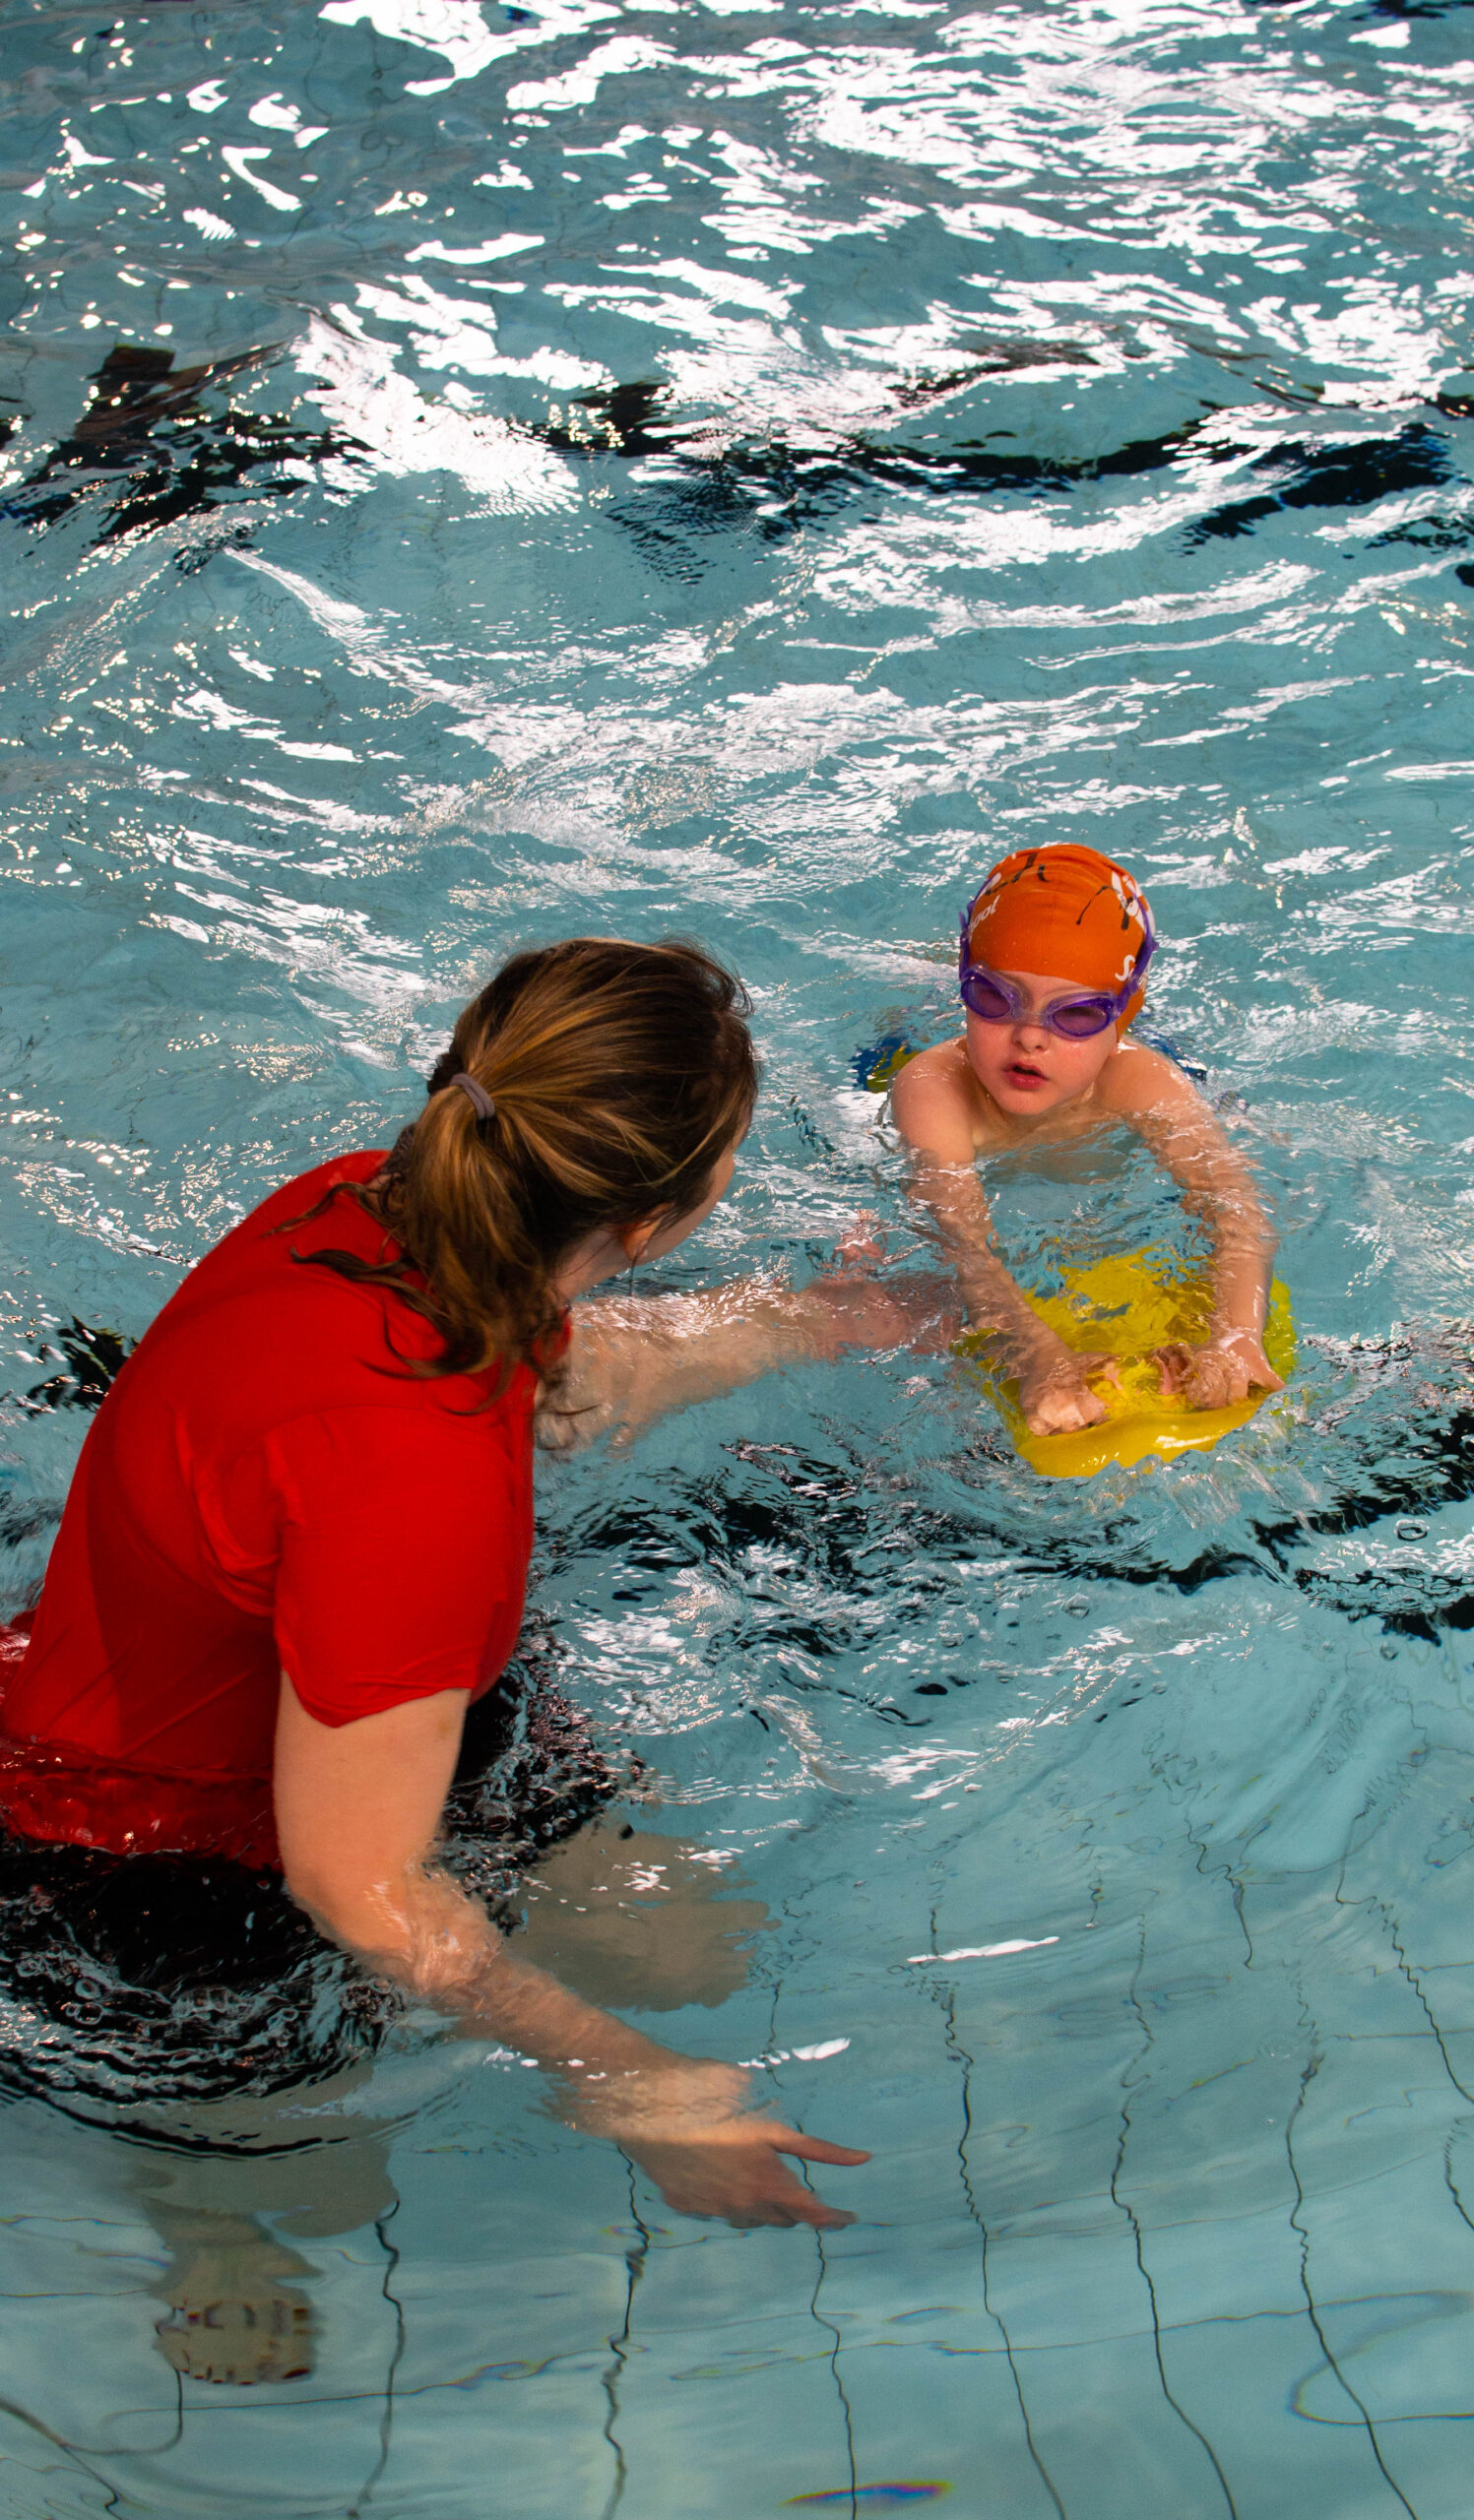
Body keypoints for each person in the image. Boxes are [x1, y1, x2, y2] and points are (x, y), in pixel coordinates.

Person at [1, 938, 923, 2299]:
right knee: (318, 2183)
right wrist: (629, 2087)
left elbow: (567, 1368)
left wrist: (834, 1321)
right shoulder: (408, 1490)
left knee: (694, 1947)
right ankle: (199, 2214)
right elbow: (356, 1890)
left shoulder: (368, 1209)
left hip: (297, 1693)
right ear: (668, 1215)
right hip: (129, 1860)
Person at [889, 844, 1281, 1436]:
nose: (1029, 1037)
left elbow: (1233, 1206)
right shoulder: (934, 1087)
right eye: (994, 996)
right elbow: (960, 1240)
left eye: (1074, 1015)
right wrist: (1032, 1351)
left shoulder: (1137, 1079)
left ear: (1121, 1018)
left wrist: (1235, 1337)